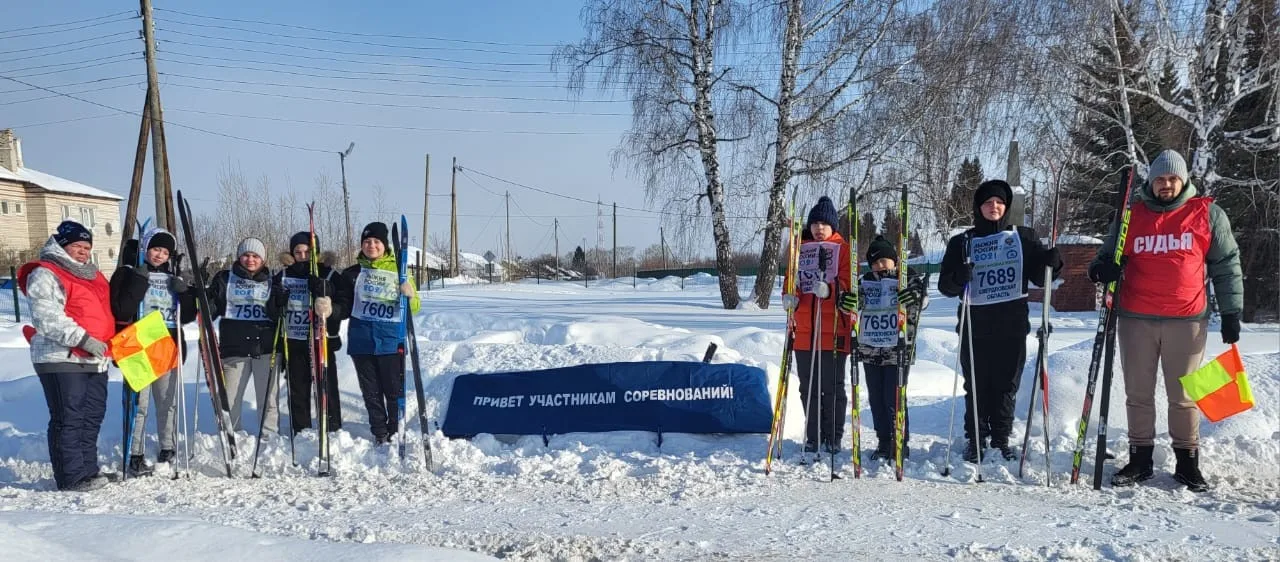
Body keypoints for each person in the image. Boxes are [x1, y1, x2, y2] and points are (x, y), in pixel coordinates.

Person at [1088, 149, 1242, 492]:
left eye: (1173, 178)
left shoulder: (1207, 214)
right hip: (1136, 318)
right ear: (1151, 181)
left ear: (1184, 179)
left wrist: (1231, 312)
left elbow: (1226, 263)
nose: (1166, 184)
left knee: (1184, 394)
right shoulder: (1133, 216)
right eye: (1160, 179)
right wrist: (1101, 269)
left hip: (1187, 320)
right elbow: (1104, 257)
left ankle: (1187, 462)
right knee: (1137, 392)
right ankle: (1140, 458)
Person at [938, 179, 1062, 462]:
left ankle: (1001, 437)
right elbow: (946, 286)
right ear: (978, 207)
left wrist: (1053, 262)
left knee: (1007, 385)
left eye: (999, 202)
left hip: (1011, 325)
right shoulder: (963, 242)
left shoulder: (1022, 237)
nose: (993, 207)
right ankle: (976, 439)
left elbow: (1040, 276)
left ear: (1006, 207)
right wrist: (960, 277)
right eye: (987, 202)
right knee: (977, 385)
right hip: (975, 326)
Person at [18, 220, 115, 491]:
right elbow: (48, 317)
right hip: (61, 356)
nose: (83, 252)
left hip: (95, 357)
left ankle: (88, 470)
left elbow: (105, 313)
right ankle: (71, 477)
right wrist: (84, 339)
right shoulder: (47, 273)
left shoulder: (92, 275)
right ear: (62, 246)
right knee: (69, 417)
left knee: (92, 415)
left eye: (87, 247)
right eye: (77, 246)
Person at [109, 229, 196, 476]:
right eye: (156, 249)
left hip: (165, 343)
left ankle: (167, 447)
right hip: (137, 344)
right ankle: (135, 452)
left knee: (166, 402)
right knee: (140, 404)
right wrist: (138, 280)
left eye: (165, 251)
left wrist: (184, 293)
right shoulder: (127, 273)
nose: (160, 255)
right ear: (145, 248)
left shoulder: (172, 276)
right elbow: (121, 309)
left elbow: (187, 316)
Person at [840, 235, 928, 461]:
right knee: (876, 398)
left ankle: (900, 441)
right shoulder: (865, 281)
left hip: (897, 349)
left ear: (895, 261)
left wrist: (914, 297)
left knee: (894, 396)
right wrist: (846, 302)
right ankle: (883, 440)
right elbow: (853, 301)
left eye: (885, 260)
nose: (880, 266)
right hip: (870, 349)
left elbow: (922, 299)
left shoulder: (906, 278)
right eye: (876, 262)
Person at [781, 196, 852, 454]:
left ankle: (833, 435)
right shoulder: (800, 249)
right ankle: (813, 436)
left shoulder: (843, 249)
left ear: (833, 226)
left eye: (824, 223)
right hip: (804, 331)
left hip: (833, 328)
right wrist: (789, 297)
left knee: (832, 386)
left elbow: (849, 285)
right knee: (808, 386)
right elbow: (791, 280)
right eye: (815, 223)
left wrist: (831, 289)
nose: (819, 228)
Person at [338, 222, 419, 444]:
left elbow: (415, 308)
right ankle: (379, 432)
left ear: (384, 245)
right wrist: (329, 306)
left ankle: (395, 430)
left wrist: (409, 295)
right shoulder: (352, 274)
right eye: (366, 241)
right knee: (371, 393)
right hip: (361, 341)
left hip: (391, 341)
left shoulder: (398, 271)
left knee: (393, 391)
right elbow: (343, 307)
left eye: (376, 241)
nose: (371, 245)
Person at [206, 237, 287, 434]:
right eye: (246, 255)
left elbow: (278, 317)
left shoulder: (274, 280)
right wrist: (203, 293)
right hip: (235, 349)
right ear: (239, 257)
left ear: (263, 259)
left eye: (255, 256)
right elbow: (211, 311)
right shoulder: (226, 279)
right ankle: (230, 436)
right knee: (229, 398)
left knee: (268, 399)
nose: (250, 260)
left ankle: (269, 437)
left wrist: (279, 302)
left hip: (266, 349)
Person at [275, 231, 348, 436]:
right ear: (292, 253)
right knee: (298, 389)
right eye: (298, 252)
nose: (303, 256)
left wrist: (330, 307)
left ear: (315, 252)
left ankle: (332, 429)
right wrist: (277, 300)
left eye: (308, 251)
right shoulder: (283, 275)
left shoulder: (330, 274)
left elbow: (345, 306)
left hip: (321, 340)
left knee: (327, 387)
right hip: (294, 340)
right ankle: (301, 430)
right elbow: (271, 306)